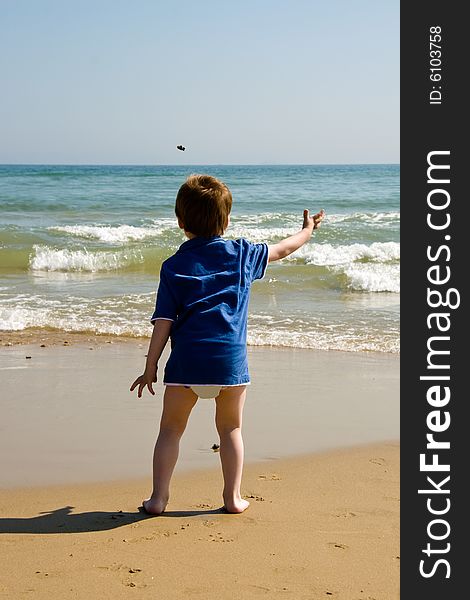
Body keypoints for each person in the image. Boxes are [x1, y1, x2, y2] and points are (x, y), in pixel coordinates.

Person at [130, 174, 324, 515]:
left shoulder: (173, 266)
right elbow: (284, 248)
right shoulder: (242, 254)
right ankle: (232, 499)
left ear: (180, 221)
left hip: (186, 365)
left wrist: (150, 366)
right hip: (228, 365)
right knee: (231, 428)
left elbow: (164, 322)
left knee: (170, 430)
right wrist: (307, 229)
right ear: (227, 219)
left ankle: (158, 499)